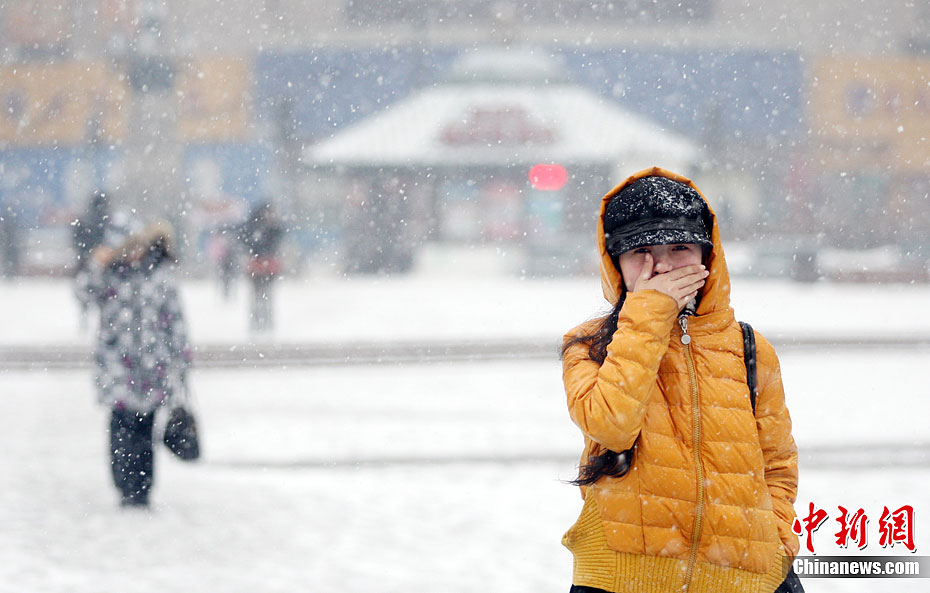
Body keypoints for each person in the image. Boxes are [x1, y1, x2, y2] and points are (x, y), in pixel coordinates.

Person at [560, 167, 799, 593]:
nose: (663, 265)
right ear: (615, 264)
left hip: (747, 582)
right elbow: (611, 425)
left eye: (680, 247)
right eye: (641, 252)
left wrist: (776, 542)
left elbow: (777, 464)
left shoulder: (748, 346)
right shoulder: (589, 345)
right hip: (621, 583)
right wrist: (650, 311)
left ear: (708, 255)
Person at [82, 218, 192, 507]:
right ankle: (124, 485)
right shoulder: (109, 274)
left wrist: (181, 357)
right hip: (117, 366)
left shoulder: (161, 275)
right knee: (121, 430)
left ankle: (142, 489)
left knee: (145, 431)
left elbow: (175, 319)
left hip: (153, 368)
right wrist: (96, 263)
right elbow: (82, 293)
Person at [237, 201, 284, 332]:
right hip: (260, 266)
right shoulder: (260, 227)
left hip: (261, 266)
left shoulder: (258, 226)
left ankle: (263, 322)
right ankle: (260, 322)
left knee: (262, 296)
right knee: (260, 296)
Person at [72, 190, 111, 326]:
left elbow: (76, 239)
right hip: (104, 261)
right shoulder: (108, 220)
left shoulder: (84, 219)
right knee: (105, 292)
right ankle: (103, 318)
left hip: (86, 261)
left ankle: (84, 316)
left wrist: (84, 253)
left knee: (84, 291)